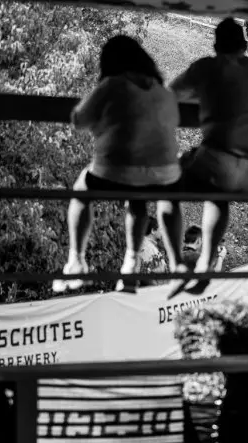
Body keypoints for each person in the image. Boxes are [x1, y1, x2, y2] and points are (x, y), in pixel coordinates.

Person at [52, 35, 182, 295]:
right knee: (137, 200)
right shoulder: (163, 91)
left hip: (118, 170)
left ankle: (76, 260)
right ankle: (130, 267)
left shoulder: (113, 84)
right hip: (164, 175)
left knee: (81, 191)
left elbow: (80, 119)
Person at [167, 18, 248, 298]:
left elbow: (169, 97)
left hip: (220, 163)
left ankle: (178, 265)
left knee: (167, 187)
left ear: (215, 45)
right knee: (218, 195)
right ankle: (205, 262)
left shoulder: (206, 68)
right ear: (244, 44)